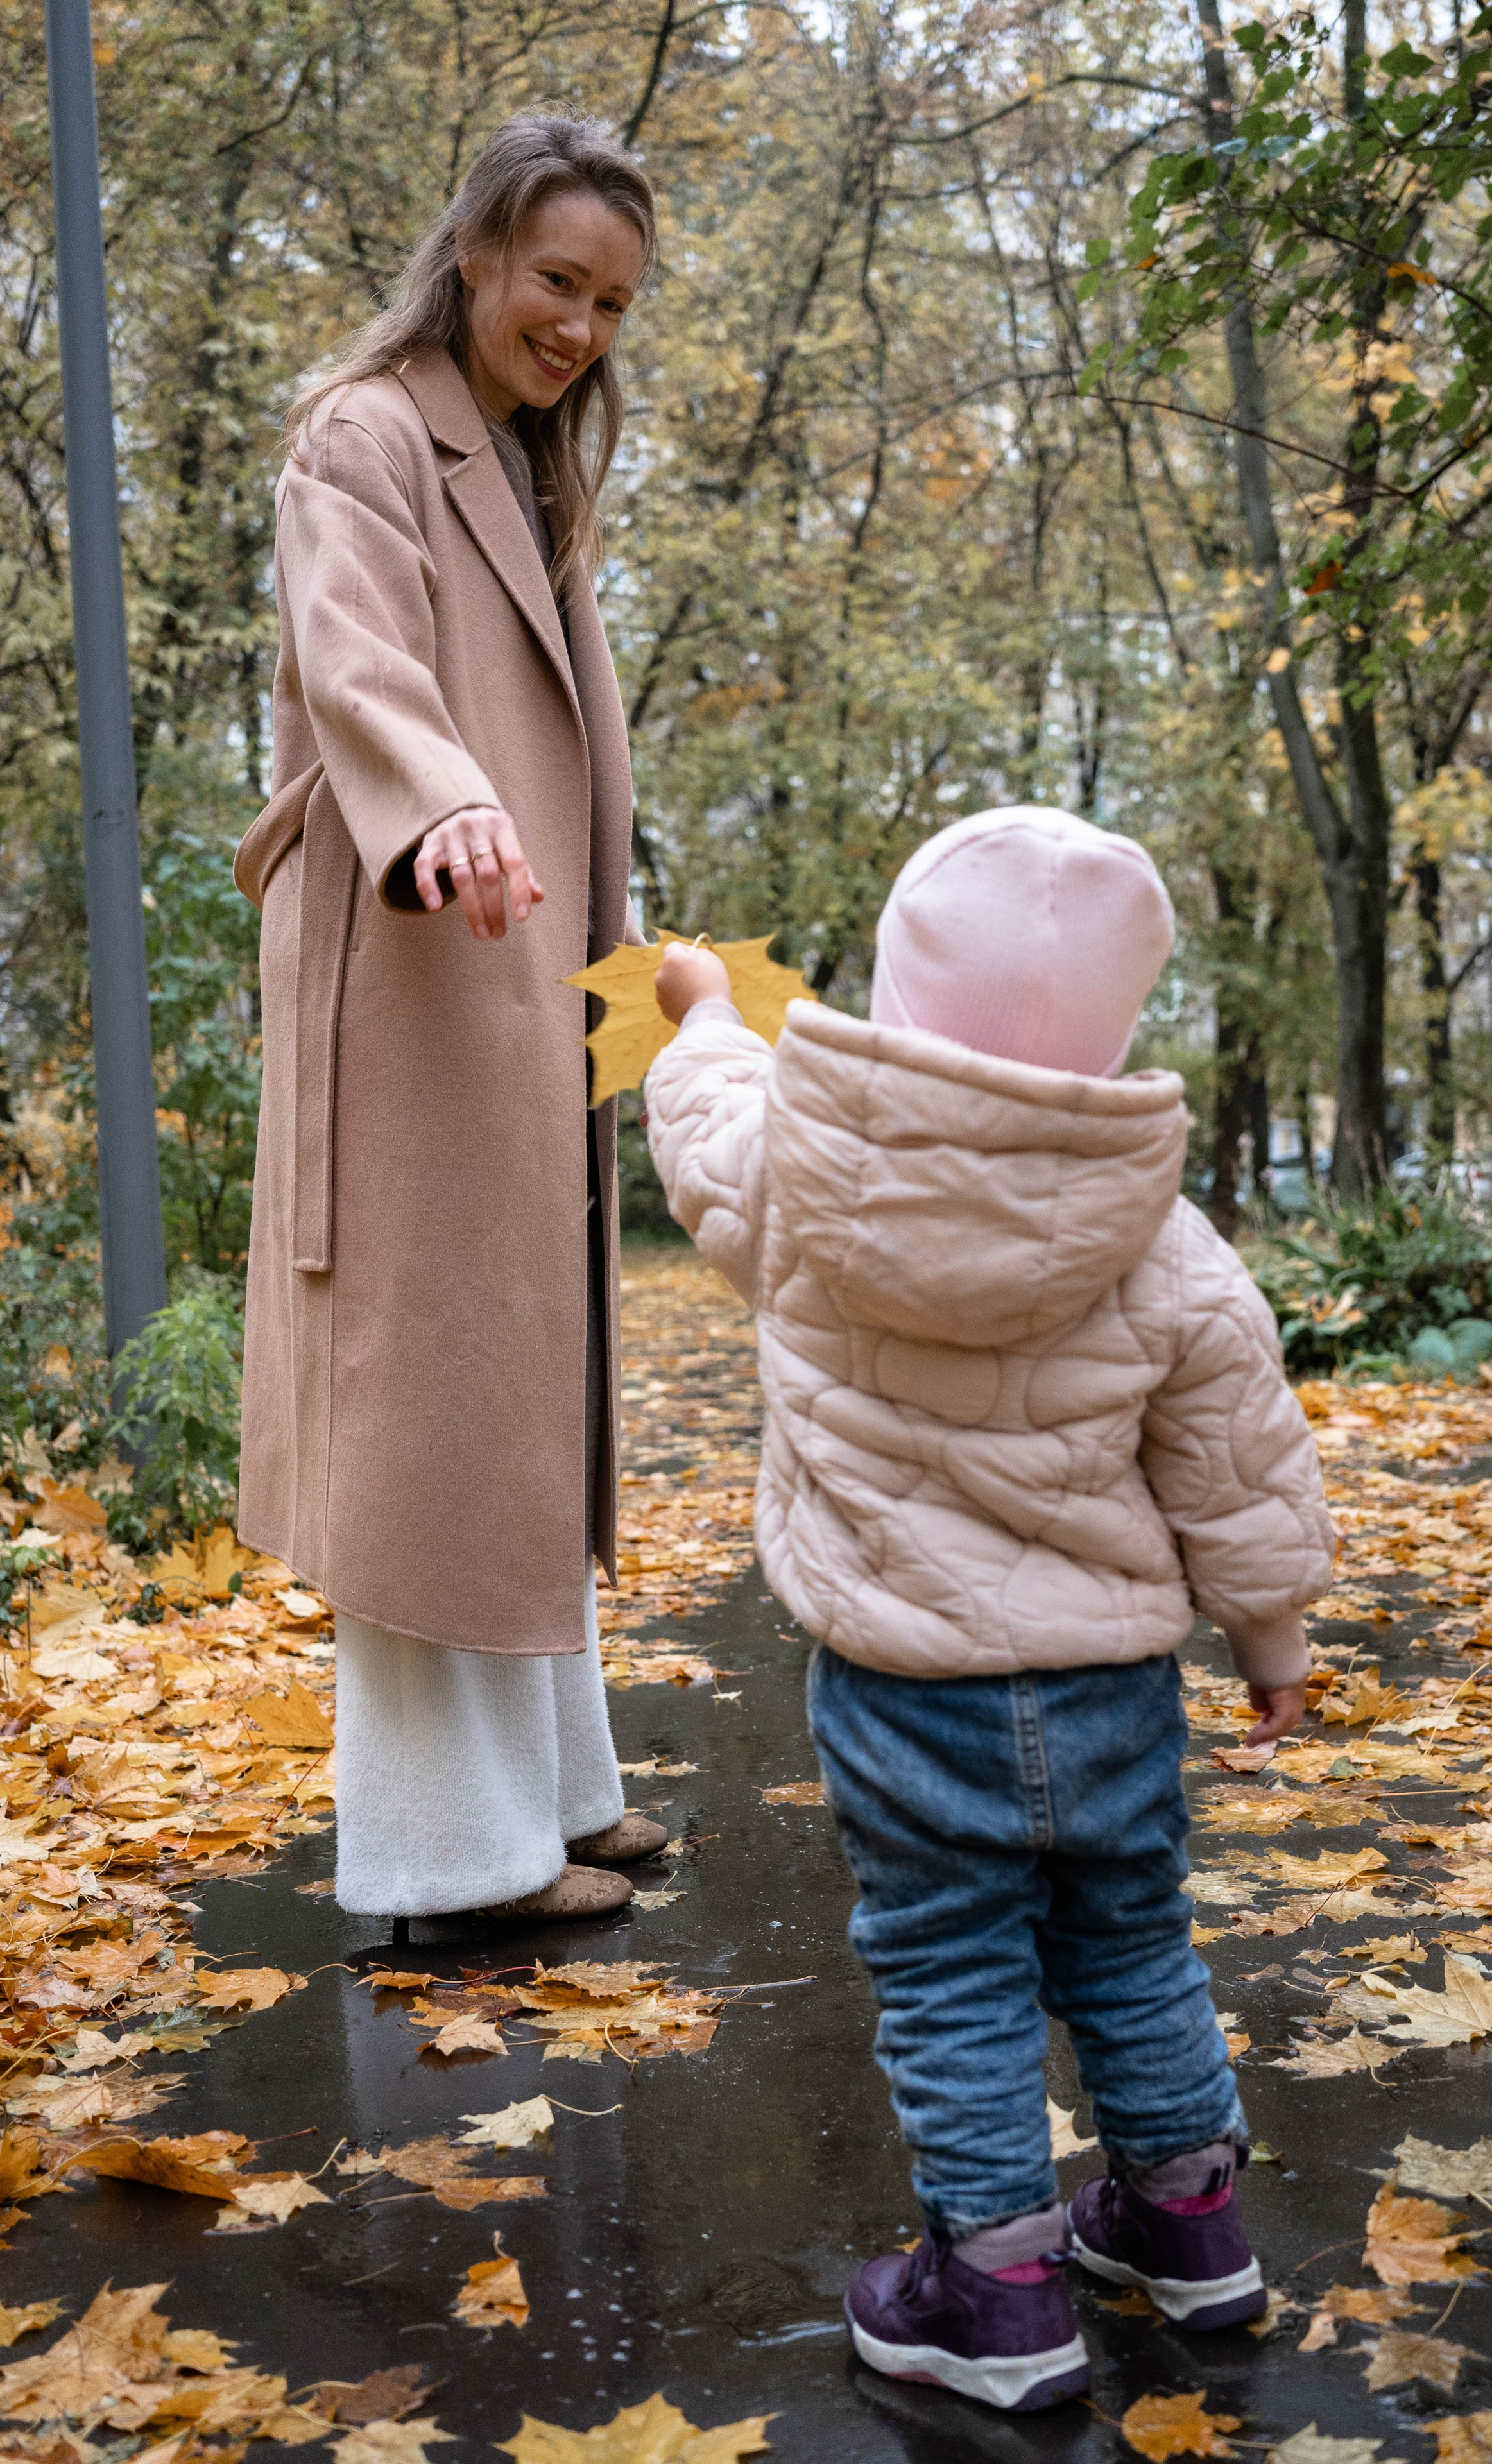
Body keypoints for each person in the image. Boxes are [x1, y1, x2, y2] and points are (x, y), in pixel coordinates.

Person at [640, 806, 1335, 2412]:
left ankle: (998, 2290)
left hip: (902, 1685)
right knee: (1133, 1945)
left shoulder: (802, 1185)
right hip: (1108, 1685)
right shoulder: (1163, 1239)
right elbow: (1236, 1460)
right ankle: (1187, 2225)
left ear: (890, 998)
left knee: (949, 1970)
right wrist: (1271, 1642)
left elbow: (707, 1124)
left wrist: (703, 1014)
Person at [234, 116, 669, 1924]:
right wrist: (443, 798)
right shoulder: (366, 430)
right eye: (558, 280)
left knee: (515, 1396)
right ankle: (447, 1866)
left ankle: (554, 1799)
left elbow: (584, 769)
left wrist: (643, 993)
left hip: (520, 978)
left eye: (611, 302)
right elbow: (358, 661)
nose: (579, 325)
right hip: (417, 968)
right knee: (433, 1409)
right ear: (479, 250)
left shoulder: (522, 458)